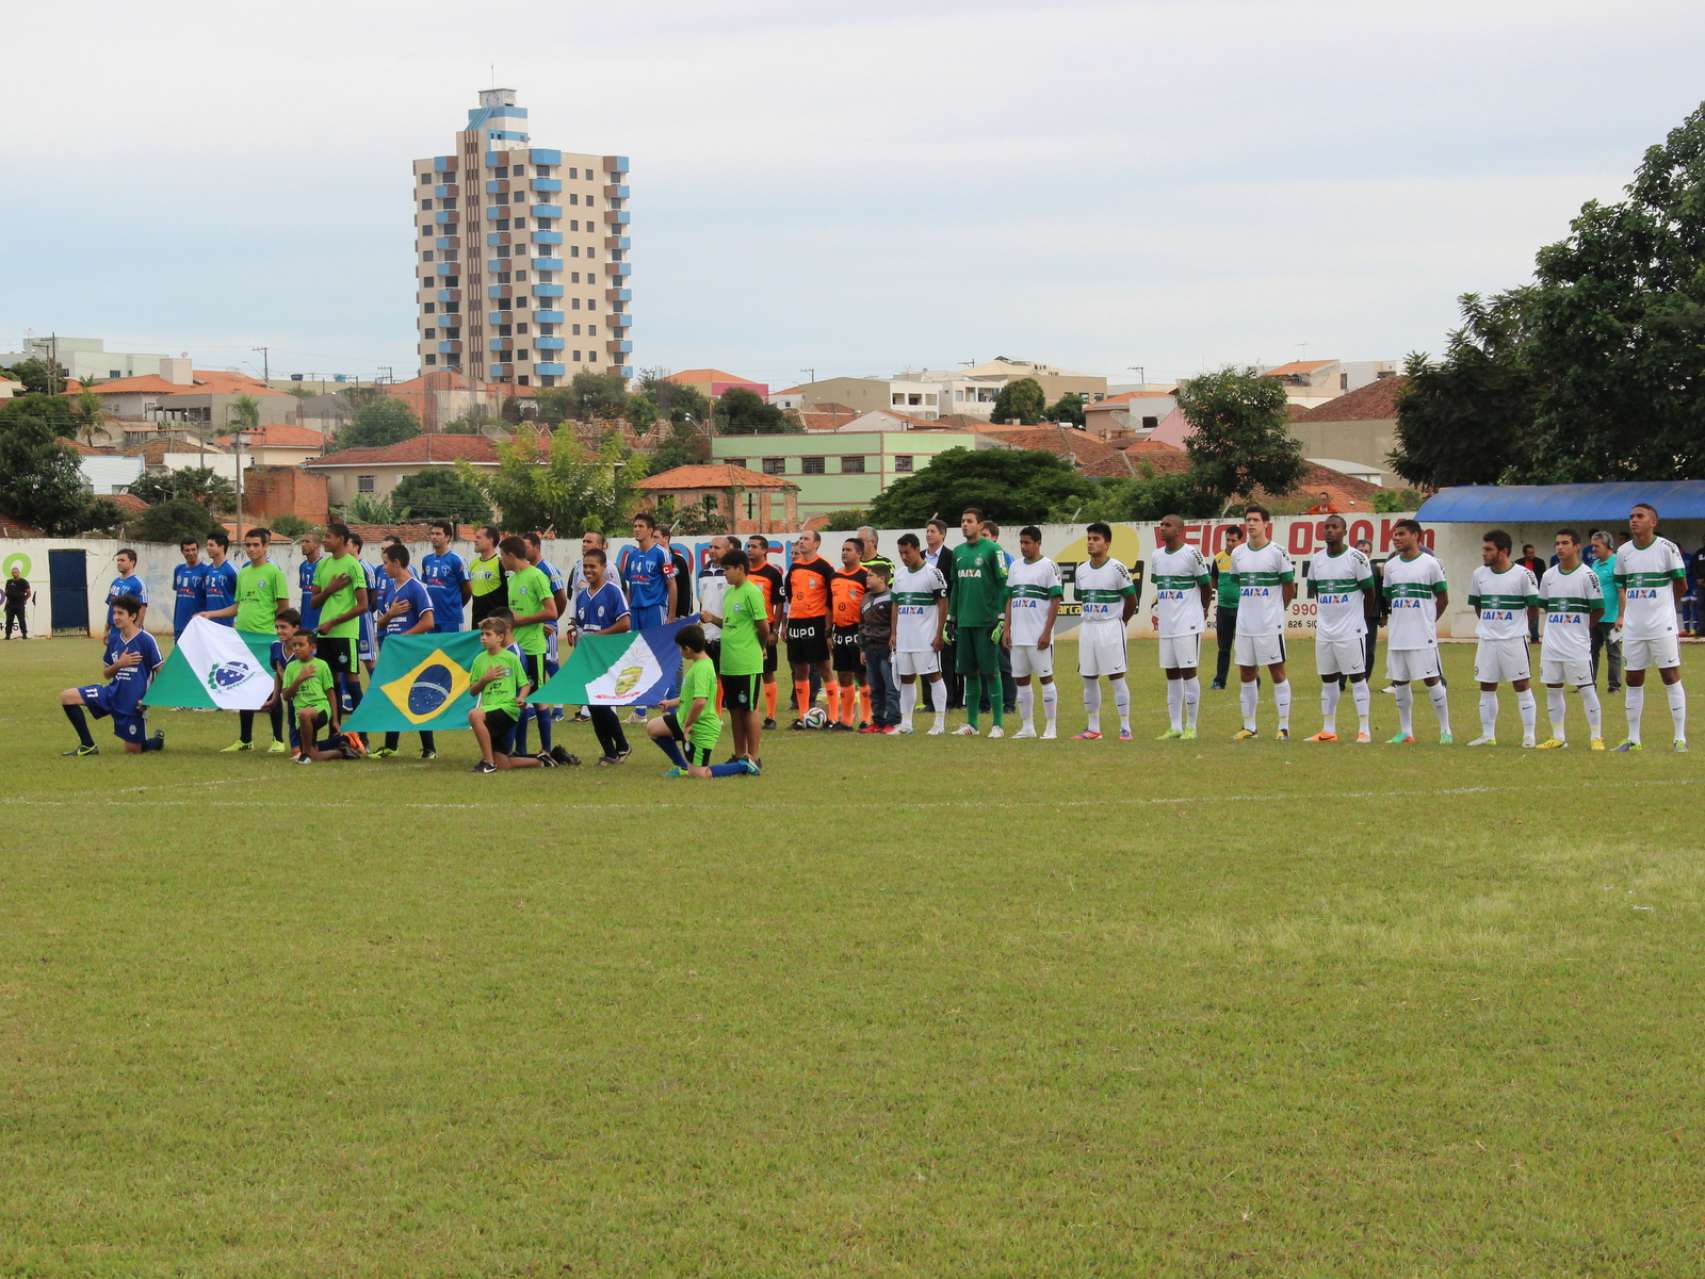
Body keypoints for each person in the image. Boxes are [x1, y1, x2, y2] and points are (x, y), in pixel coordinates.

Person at [1613, 502, 1688, 752]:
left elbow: (1681, 585)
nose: (1633, 520)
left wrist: (1664, 609)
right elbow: (1622, 586)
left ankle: (1680, 738)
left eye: (1640, 516)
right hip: (1634, 628)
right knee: (1633, 678)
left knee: (1670, 675)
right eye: (1631, 516)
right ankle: (1633, 739)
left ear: (1653, 522)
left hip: (1661, 626)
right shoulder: (1623, 552)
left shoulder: (1667, 548)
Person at [646, 624, 759, 777]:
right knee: (653, 728)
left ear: (688, 649)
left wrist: (688, 725)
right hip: (686, 720)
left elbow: (700, 702)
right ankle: (682, 767)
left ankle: (743, 765)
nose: (680, 651)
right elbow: (690, 697)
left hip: (701, 727)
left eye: (680, 648)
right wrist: (670, 703)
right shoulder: (701, 664)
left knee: (700, 774)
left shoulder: (702, 669)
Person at [58, 594, 164, 756]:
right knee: (67, 697)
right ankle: (88, 745)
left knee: (132, 750)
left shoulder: (146, 640)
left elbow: (161, 673)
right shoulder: (114, 639)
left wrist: (148, 699)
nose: (115, 617)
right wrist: (120, 664)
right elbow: (106, 673)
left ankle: (157, 740)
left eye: (120, 613)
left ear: (133, 616)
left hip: (133, 703)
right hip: (111, 693)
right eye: (114, 613)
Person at [1466, 529, 1542, 748]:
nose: (1484, 553)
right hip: (1487, 640)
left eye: (1489, 549)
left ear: (1503, 551)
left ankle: (1529, 735)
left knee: (1521, 685)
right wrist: (1489, 625)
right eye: (1484, 549)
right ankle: (1488, 735)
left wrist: (1519, 627)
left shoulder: (1523, 575)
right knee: (1486, 686)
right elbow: (1478, 605)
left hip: (1513, 640)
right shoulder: (1479, 574)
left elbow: (1533, 606)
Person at [1305, 516, 1377, 743]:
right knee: (1328, 679)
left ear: (1344, 531)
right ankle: (1328, 730)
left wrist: (1358, 620)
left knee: (1357, 678)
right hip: (1325, 631)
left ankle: (1364, 729)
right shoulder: (1316, 560)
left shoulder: (1356, 558)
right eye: (1326, 527)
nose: (1329, 531)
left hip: (1351, 631)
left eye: (1334, 527)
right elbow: (1316, 591)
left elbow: (1370, 593)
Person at [1382, 519, 1454, 745]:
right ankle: (1406, 731)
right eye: (1394, 534)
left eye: (1401, 534)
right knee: (1400, 681)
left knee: (1431, 680)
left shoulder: (1430, 564)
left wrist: (1429, 622)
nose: (1396, 538)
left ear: (1416, 536)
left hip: (1422, 634)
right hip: (1398, 635)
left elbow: (1443, 598)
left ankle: (1445, 730)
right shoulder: (1391, 566)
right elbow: (1388, 596)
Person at [501, 534, 570, 765]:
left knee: (538, 697)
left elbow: (551, 611)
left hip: (533, 648)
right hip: (515, 649)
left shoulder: (537, 576)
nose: (501, 560)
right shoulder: (512, 579)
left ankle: (546, 749)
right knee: (519, 699)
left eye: (502, 556)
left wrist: (523, 621)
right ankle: (520, 750)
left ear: (511, 555)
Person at [223, 527, 292, 754]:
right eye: (248, 545)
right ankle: (245, 740)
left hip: (266, 639)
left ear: (265, 546)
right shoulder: (243, 573)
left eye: (255, 545)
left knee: (272, 689)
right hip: (244, 638)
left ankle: (278, 740)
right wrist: (209, 615)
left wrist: (278, 634)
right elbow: (238, 605)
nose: (251, 549)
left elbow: (283, 608)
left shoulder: (274, 573)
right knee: (245, 687)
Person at [1230, 505, 1296, 742]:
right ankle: (1250, 726)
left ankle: (1284, 727)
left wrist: (1277, 610)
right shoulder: (1238, 553)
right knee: (1246, 673)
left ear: (1266, 524)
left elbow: (1289, 587)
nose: (1251, 524)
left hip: (1270, 625)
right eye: (1248, 520)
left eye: (1256, 520)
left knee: (1277, 672)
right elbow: (1238, 583)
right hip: (1245, 625)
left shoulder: (1278, 552)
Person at [1535, 528, 1605, 750]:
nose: (1560, 547)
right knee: (1552, 688)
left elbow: (1598, 609)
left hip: (1577, 644)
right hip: (1552, 644)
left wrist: (1580, 628)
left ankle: (1596, 737)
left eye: (1565, 543)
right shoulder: (1548, 576)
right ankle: (1558, 737)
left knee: (1586, 688)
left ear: (1576, 546)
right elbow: (1544, 605)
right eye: (1557, 543)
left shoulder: (1588, 576)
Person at [1146, 514, 1213, 741]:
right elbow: (1161, 588)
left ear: (1179, 530)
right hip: (1167, 625)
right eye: (1161, 524)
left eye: (1168, 525)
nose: (1162, 528)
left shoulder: (1192, 554)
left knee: (1188, 672)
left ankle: (1191, 726)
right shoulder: (1156, 556)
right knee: (1171, 674)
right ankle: (1174, 726)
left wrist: (1201, 610)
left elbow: (1206, 586)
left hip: (1188, 623)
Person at [371, 543, 439, 760]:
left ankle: (429, 748)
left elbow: (428, 622)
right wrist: (390, 614)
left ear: (397, 563)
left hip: (412, 653)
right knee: (394, 695)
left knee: (418, 696)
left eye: (385, 563)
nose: (383, 568)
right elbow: (380, 624)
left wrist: (403, 639)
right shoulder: (390, 590)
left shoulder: (417, 588)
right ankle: (391, 746)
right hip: (394, 653)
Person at [1070, 520, 1136, 742]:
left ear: (1107, 544)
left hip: (1111, 627)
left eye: (1096, 539)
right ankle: (1093, 728)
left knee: (1116, 677)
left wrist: (1120, 622)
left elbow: (1131, 600)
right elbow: (1080, 597)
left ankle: (1125, 727)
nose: (1090, 543)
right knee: (1088, 677)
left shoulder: (1117, 567)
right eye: (1088, 539)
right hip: (1088, 627)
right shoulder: (1081, 570)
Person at [571, 547, 635, 765]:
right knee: (592, 704)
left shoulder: (613, 591)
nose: (588, 571)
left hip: (609, 656)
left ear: (603, 568)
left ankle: (623, 746)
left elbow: (625, 623)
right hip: (588, 658)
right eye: (585, 566)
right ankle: (610, 752)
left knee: (600, 704)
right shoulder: (582, 596)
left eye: (593, 567)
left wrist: (600, 636)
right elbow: (581, 629)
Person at [950, 506, 1009, 738]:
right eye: (963, 521)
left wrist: (1001, 618)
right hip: (965, 622)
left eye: (969, 521)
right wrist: (951, 618)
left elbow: (1004, 585)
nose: (965, 524)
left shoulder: (993, 550)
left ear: (980, 525)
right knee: (968, 673)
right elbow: (955, 587)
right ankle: (972, 724)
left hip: (987, 621)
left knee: (991, 672)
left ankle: (998, 724)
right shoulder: (958, 552)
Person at [709, 547, 772, 763]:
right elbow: (730, 624)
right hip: (729, 662)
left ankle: (754, 757)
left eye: (727, 569)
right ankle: (738, 755)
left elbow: (763, 627)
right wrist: (713, 619)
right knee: (734, 710)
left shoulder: (751, 592)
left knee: (749, 709)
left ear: (740, 568)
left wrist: (761, 646)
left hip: (747, 662)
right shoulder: (729, 593)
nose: (724, 573)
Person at [1003, 524, 1063, 740]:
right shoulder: (1015, 567)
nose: (1023, 546)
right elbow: (1010, 599)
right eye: (1021, 542)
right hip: (1018, 636)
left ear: (1038, 543)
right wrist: (1007, 627)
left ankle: (1051, 726)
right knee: (1021, 680)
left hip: (1038, 636)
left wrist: (1047, 632)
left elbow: (1056, 601)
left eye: (1027, 542)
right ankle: (1027, 726)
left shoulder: (1049, 567)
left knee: (1046, 678)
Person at [309, 522, 370, 720]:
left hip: (344, 633)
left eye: (328, 537)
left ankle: (362, 734)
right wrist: (330, 589)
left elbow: (363, 605)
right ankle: (335, 730)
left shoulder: (353, 566)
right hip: (324, 633)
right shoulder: (322, 565)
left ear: (341, 540)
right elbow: (314, 602)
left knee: (352, 679)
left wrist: (333, 622)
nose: (324, 540)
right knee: (330, 681)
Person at [467, 615, 543, 773]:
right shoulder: (478, 660)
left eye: (488, 634)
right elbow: (473, 691)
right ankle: (540, 762)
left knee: (474, 715)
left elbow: (525, 684)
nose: (483, 638)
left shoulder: (511, 658)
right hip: (489, 710)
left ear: (500, 637)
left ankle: (488, 763)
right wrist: (484, 680)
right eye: (482, 634)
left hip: (508, 708)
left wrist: (522, 697)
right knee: (504, 763)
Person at [891, 533, 950, 735]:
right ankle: (906, 723)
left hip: (925, 638)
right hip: (904, 637)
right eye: (900, 553)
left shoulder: (933, 573)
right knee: (906, 678)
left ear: (917, 549)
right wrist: (894, 633)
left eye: (907, 552)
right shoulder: (899, 575)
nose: (904, 556)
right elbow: (895, 604)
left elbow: (943, 604)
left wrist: (939, 633)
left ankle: (939, 723)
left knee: (934, 676)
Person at [784, 529, 836, 730]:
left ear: (817, 544)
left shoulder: (825, 567)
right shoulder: (795, 567)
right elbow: (790, 595)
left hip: (816, 622)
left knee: (824, 667)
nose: (802, 542)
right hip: (797, 622)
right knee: (800, 668)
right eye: (801, 539)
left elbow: (831, 598)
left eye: (806, 539)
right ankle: (803, 715)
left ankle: (832, 717)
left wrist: (828, 627)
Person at [283, 631, 355, 763]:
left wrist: (334, 720)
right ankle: (340, 751)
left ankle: (305, 754)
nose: (297, 648)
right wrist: (299, 679)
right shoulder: (290, 668)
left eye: (301, 645)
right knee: (314, 755)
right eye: (294, 645)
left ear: (312, 647)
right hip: (301, 716)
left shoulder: (321, 665)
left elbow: (331, 694)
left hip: (320, 708)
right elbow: (286, 696)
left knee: (305, 714)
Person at [524, 531, 569, 717]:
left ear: (536, 547)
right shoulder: (525, 570)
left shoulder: (548, 569)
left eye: (526, 547)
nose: (523, 551)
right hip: (531, 628)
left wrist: (552, 620)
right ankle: (533, 706)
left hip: (547, 626)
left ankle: (559, 706)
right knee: (532, 665)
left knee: (551, 662)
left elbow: (561, 598)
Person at [978, 517, 1019, 717]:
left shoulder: (1006, 558)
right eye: (981, 535)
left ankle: (1009, 703)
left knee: (1003, 662)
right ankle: (984, 703)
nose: (982, 539)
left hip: (1000, 616)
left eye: (985, 535)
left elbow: (1008, 591)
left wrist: (1005, 619)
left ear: (994, 537)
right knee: (982, 662)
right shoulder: (977, 556)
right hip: (982, 616)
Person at [829, 538, 871, 730]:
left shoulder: (865, 576)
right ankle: (845, 720)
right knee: (843, 675)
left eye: (849, 550)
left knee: (862, 675)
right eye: (843, 549)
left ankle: (867, 718)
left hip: (858, 630)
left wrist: (867, 632)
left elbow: (870, 607)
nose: (844, 553)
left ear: (859, 554)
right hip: (839, 631)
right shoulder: (835, 576)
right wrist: (829, 632)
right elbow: (829, 606)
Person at [745, 534, 784, 729]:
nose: (750, 549)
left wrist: (774, 630)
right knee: (747, 673)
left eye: (754, 546)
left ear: (764, 550)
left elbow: (779, 604)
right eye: (748, 546)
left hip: (764, 629)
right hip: (744, 630)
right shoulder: (741, 571)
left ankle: (770, 717)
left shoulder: (772, 573)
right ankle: (750, 713)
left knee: (767, 672)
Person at [923, 517, 961, 709]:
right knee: (924, 656)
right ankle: (929, 701)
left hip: (944, 613)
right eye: (927, 531)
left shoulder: (951, 556)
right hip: (923, 615)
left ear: (942, 534)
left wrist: (951, 615)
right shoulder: (920, 556)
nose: (929, 534)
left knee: (946, 658)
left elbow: (954, 586)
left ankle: (948, 700)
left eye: (933, 531)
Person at [858, 562, 898, 734]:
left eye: (870, 575)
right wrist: (862, 648)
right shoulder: (865, 598)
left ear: (882, 578)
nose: (866, 578)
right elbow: (861, 624)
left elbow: (896, 623)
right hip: (870, 648)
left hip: (886, 648)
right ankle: (878, 721)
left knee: (890, 686)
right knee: (874, 688)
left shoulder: (892, 597)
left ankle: (894, 721)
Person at [1209, 525, 1245, 689]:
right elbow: (1214, 582)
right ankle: (1219, 680)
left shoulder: (1246, 558)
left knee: (1245, 648)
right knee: (1223, 648)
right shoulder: (1218, 558)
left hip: (1243, 609)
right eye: (1228, 540)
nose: (1230, 543)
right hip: (1223, 609)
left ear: (1240, 541)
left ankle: (1253, 680)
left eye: (1233, 540)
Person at [1587, 531, 1622, 693]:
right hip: (1596, 616)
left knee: (1613, 652)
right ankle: (1589, 683)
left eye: (1597, 546)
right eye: (1592, 545)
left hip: (1612, 617)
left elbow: (1622, 591)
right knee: (1591, 650)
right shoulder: (1595, 565)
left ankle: (1614, 685)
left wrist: (1621, 616)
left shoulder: (1616, 563)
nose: (1593, 549)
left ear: (1608, 546)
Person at [420, 520, 470, 633]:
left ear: (448, 537)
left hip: (451, 619)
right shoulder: (426, 560)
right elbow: (427, 586)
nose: (434, 537)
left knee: (453, 651)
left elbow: (467, 590)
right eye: (432, 534)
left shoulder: (457, 560)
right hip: (432, 618)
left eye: (438, 534)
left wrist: (455, 607)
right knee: (433, 651)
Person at [1356, 536, 1385, 685]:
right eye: (1360, 551)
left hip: (1371, 616)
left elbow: (1381, 593)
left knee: (1368, 650)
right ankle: (1340, 681)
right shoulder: (1347, 568)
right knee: (1347, 649)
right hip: (1350, 616)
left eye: (1366, 551)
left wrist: (1384, 614)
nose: (1363, 554)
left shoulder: (1376, 570)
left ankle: (1364, 680)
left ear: (1371, 554)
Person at [103, 548, 147, 641]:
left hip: (128, 632)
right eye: (118, 560)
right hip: (114, 632)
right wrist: (106, 630)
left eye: (122, 560)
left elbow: (142, 610)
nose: (119, 563)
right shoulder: (115, 582)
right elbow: (111, 608)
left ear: (132, 562)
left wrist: (134, 633)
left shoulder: (138, 583)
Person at [468, 525, 508, 626]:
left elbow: (510, 594)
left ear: (490, 540)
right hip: (476, 624)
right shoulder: (473, 564)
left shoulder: (501, 563)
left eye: (478, 537)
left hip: (496, 625)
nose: (474, 540)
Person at [171, 538, 208, 642]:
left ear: (198, 550)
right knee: (179, 656)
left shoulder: (206, 570)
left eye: (193, 549)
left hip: (197, 624)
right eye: (187, 550)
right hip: (179, 623)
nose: (191, 553)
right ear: (182, 551)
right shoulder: (178, 569)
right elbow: (179, 595)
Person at [200, 531, 238, 628]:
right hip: (210, 623)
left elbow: (241, 600)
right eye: (207, 545)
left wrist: (236, 621)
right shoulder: (207, 570)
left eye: (211, 545)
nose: (207, 548)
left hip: (228, 624)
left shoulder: (232, 570)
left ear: (222, 547)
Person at [660, 525, 695, 620]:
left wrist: (684, 615)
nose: (652, 540)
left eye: (655, 537)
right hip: (657, 615)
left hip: (676, 616)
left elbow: (687, 589)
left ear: (665, 538)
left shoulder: (679, 561)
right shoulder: (651, 561)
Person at [1516, 544, 1547, 642]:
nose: (1531, 555)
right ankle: (1519, 635)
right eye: (1529, 553)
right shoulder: (1518, 563)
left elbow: (1543, 577)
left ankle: (1534, 637)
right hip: (1521, 592)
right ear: (1524, 553)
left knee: (1534, 613)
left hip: (1534, 591)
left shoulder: (1540, 562)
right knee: (1519, 613)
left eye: (1533, 552)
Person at [296, 530, 325, 633]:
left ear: (317, 545)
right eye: (302, 542)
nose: (303, 545)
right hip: (305, 620)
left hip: (320, 620)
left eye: (307, 541)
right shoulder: (302, 566)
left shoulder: (324, 565)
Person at [4, 565, 31, 639]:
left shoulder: (24, 582)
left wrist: (23, 600)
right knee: (9, 621)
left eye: (16, 572)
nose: (14, 573)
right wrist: (6, 605)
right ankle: (7, 635)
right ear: (11, 574)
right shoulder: (9, 582)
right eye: (13, 572)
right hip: (10, 605)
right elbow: (6, 593)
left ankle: (24, 635)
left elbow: (29, 593)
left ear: (19, 573)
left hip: (19, 605)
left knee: (21, 620)